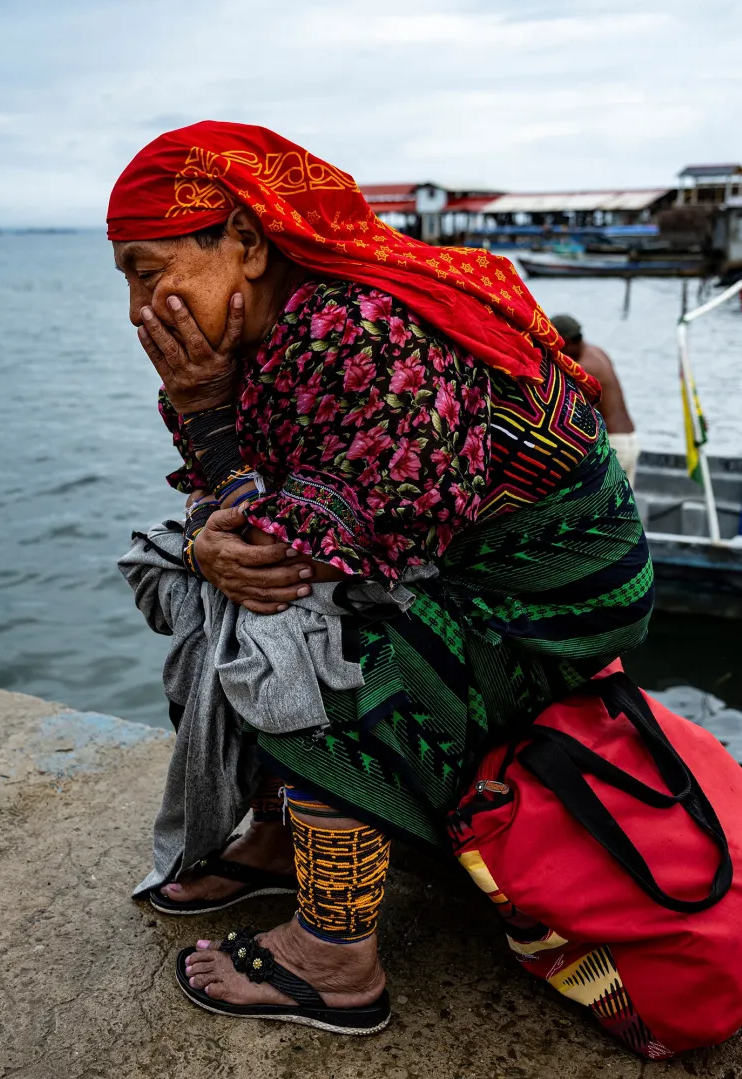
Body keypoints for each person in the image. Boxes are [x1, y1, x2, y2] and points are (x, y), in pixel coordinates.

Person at [109, 122, 653, 1035]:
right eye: (126, 278)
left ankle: (336, 954)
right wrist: (207, 530)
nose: (136, 308)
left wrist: (209, 441)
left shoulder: (357, 331)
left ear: (243, 242)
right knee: (208, 577)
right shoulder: (263, 335)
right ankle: (285, 837)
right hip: (439, 559)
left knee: (309, 636)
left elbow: (295, 557)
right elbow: (237, 506)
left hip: (550, 598)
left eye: (146, 268)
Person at [551, 314, 638, 484]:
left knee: (600, 507)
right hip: (629, 440)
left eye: (556, 347)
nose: (556, 354)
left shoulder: (583, 369)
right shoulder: (597, 352)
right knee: (621, 507)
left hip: (615, 445)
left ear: (566, 342)